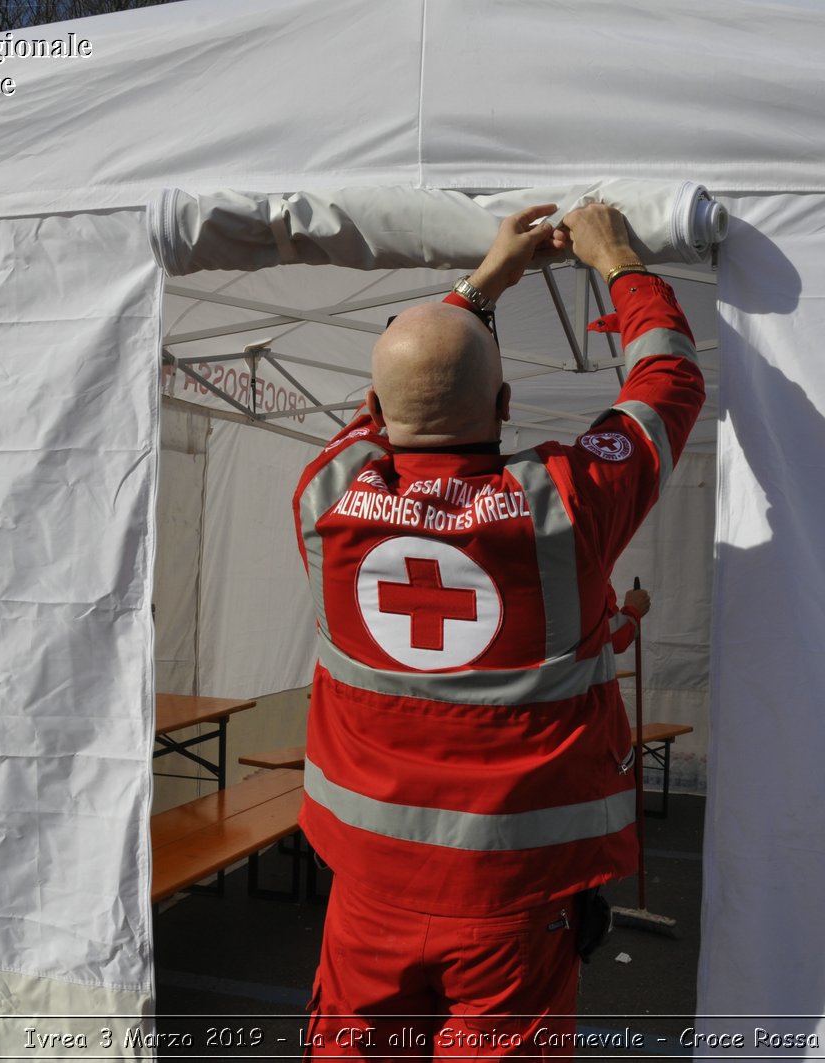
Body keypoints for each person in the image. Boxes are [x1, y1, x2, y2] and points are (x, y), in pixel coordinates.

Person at [291, 201, 704, 1059]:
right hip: (515, 906)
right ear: (507, 402)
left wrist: (481, 282)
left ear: (370, 407)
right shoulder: (564, 507)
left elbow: (394, 402)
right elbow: (667, 385)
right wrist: (619, 257)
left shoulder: (325, 499)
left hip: (364, 892)